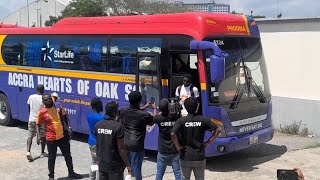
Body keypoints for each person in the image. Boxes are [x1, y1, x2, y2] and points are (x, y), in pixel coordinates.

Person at [171, 97, 221, 180]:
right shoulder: (203, 119)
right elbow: (218, 130)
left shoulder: (181, 121)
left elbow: (173, 133)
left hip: (185, 156)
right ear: (197, 107)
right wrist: (208, 143)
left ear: (185, 108)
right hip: (199, 156)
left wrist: (178, 147)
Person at [36, 94, 82, 180]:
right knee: (51, 158)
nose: (49, 100)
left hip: (62, 136)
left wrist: (69, 127)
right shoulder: (42, 112)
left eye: (49, 99)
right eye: (46, 100)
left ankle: (71, 172)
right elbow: (37, 124)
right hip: (51, 139)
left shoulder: (58, 106)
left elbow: (65, 116)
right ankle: (51, 176)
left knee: (68, 155)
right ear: (43, 102)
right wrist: (38, 135)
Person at [119, 91, 156, 180]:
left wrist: (144, 107)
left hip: (124, 144)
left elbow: (134, 110)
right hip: (136, 146)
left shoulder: (123, 111)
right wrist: (154, 109)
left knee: (124, 168)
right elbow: (153, 120)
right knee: (137, 170)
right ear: (140, 101)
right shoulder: (144, 115)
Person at [95, 101, 132, 180]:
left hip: (102, 164)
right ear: (115, 112)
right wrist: (128, 164)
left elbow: (97, 144)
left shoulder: (98, 125)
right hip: (114, 166)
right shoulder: (118, 127)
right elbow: (121, 148)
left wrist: (98, 159)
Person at [154, 99, 181, 180]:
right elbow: (180, 112)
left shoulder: (158, 118)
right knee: (177, 172)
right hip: (174, 150)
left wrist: (155, 108)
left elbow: (154, 117)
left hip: (162, 151)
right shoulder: (176, 118)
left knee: (159, 173)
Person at [87, 98, 106, 180]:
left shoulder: (89, 116)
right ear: (98, 106)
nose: (102, 106)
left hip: (91, 141)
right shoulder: (101, 118)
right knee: (101, 164)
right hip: (99, 143)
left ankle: (91, 178)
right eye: (101, 104)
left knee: (94, 161)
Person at [26, 84, 46, 161]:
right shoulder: (43, 99)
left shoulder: (31, 97)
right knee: (43, 137)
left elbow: (29, 107)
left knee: (30, 136)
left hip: (31, 119)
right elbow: (44, 111)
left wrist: (31, 115)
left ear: (36, 89)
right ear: (43, 90)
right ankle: (42, 152)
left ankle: (28, 152)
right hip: (40, 121)